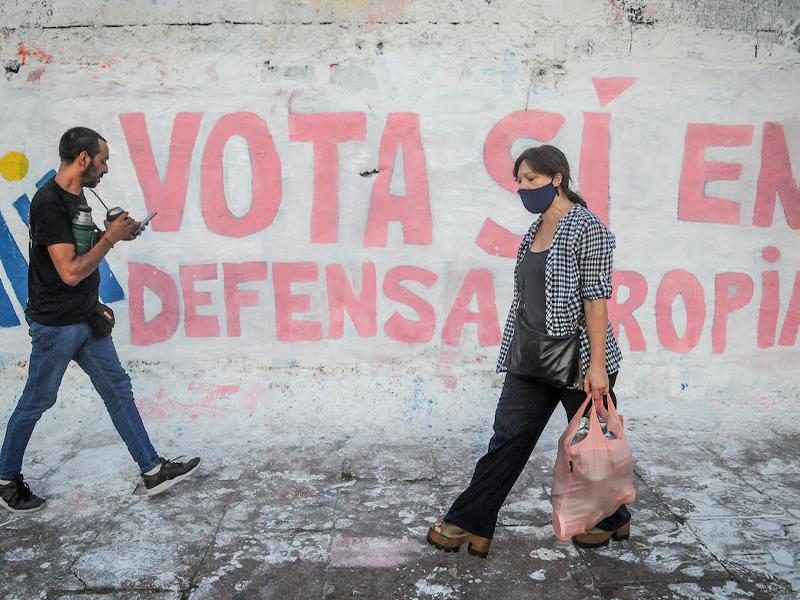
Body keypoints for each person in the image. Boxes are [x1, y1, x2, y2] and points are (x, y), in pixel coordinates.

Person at [426, 145, 629, 556]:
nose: (523, 188)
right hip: (531, 357)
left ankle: (612, 519)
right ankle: (472, 522)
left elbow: (596, 300)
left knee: (594, 448)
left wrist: (596, 367)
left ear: (557, 179)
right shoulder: (536, 230)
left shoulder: (586, 228)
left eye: (531, 180)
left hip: (577, 361)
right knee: (507, 440)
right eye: (519, 180)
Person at [0, 127, 200, 514]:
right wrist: (109, 238)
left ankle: (152, 469)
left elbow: (85, 255)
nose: (106, 169)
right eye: (103, 160)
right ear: (82, 159)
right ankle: (6, 479)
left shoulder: (80, 198)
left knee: (117, 389)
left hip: (86, 318)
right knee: (38, 400)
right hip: (57, 325)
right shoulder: (49, 203)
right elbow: (70, 272)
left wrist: (119, 235)